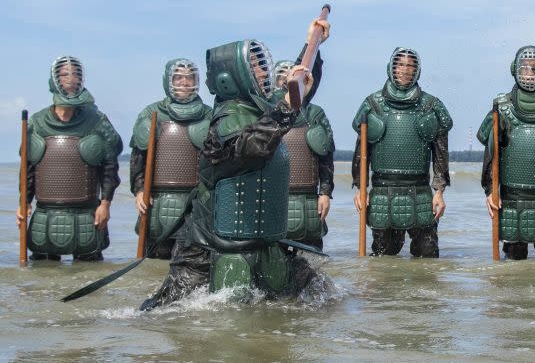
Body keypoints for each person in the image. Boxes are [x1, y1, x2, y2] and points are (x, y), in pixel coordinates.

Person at [140, 17, 329, 310]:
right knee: (172, 315)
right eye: (255, 66)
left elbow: (294, 93)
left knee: (316, 294)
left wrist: (311, 46)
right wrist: (287, 107)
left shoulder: (260, 109)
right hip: (206, 252)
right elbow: (253, 146)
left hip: (258, 243)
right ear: (232, 77)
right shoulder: (226, 118)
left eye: (262, 64)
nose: (264, 71)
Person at [16, 56, 122, 261]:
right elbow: (27, 169)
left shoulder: (97, 121)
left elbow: (110, 166)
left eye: (76, 74)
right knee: (42, 280)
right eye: (65, 74)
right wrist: (24, 203)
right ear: (55, 80)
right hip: (45, 215)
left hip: (86, 214)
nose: (71, 79)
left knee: (89, 275)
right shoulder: (37, 123)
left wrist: (105, 203)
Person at [352, 48, 453, 258]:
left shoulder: (431, 106)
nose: (405, 70)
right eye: (400, 65)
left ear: (417, 71)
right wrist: (360, 188)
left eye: (410, 66)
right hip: (382, 191)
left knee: (427, 255)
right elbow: (361, 153)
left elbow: (440, 153)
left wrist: (439, 191)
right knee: (383, 257)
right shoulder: (372, 105)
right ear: (391, 67)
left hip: (420, 191)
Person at [477, 46, 535, 260]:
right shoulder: (501, 107)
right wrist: (490, 191)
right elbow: (491, 154)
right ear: (516, 71)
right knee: (513, 265)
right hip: (512, 198)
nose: (531, 73)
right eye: (526, 68)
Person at [129, 59, 213, 259]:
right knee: (155, 262)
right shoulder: (152, 113)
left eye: (189, 77)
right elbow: (138, 158)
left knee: (192, 261)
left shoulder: (209, 115)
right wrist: (139, 190)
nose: (184, 82)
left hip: (195, 201)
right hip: (158, 201)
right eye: (178, 77)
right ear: (168, 81)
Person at [274, 60, 335, 251]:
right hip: (273, 198)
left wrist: (325, 193)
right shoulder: (265, 112)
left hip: (308, 198)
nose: (286, 80)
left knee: (311, 260)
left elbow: (326, 156)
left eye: (290, 76)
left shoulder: (315, 114)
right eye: (282, 76)